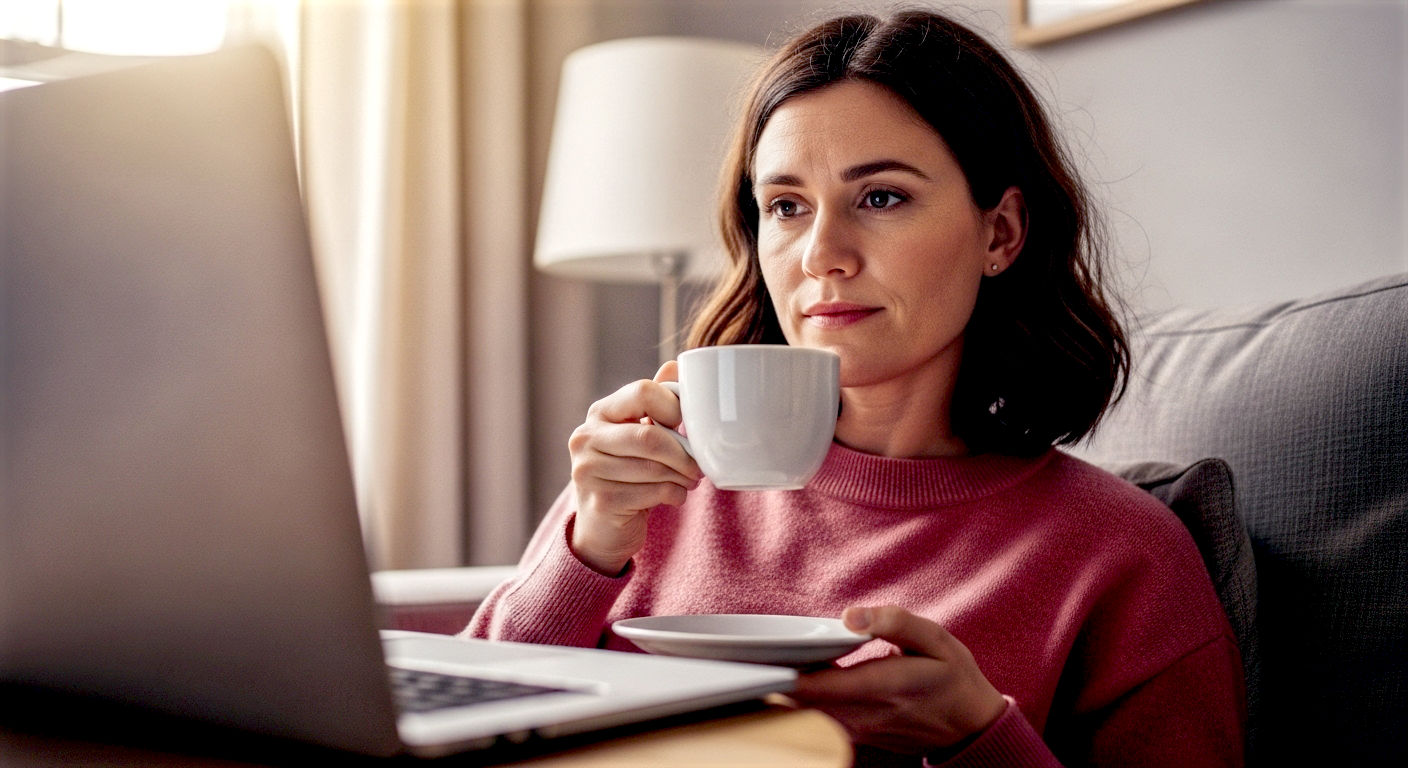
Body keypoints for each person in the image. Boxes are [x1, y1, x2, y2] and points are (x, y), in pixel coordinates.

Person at [465, 9, 1245, 767]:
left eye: (881, 197)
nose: (820, 255)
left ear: (1000, 233)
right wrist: (587, 550)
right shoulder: (642, 488)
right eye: (787, 207)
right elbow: (461, 724)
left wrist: (977, 739)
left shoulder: (1119, 555)